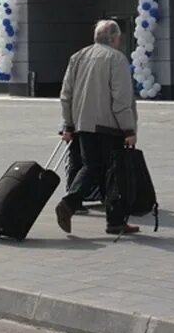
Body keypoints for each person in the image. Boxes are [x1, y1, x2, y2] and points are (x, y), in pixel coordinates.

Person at [55, 20, 139, 236]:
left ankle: (107, 217)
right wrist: (129, 129)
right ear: (113, 38)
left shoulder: (78, 57)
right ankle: (103, 216)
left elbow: (66, 95)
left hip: (83, 124)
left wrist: (69, 124)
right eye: (118, 37)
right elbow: (121, 99)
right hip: (109, 125)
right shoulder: (116, 59)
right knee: (113, 173)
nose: (119, 41)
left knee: (92, 166)